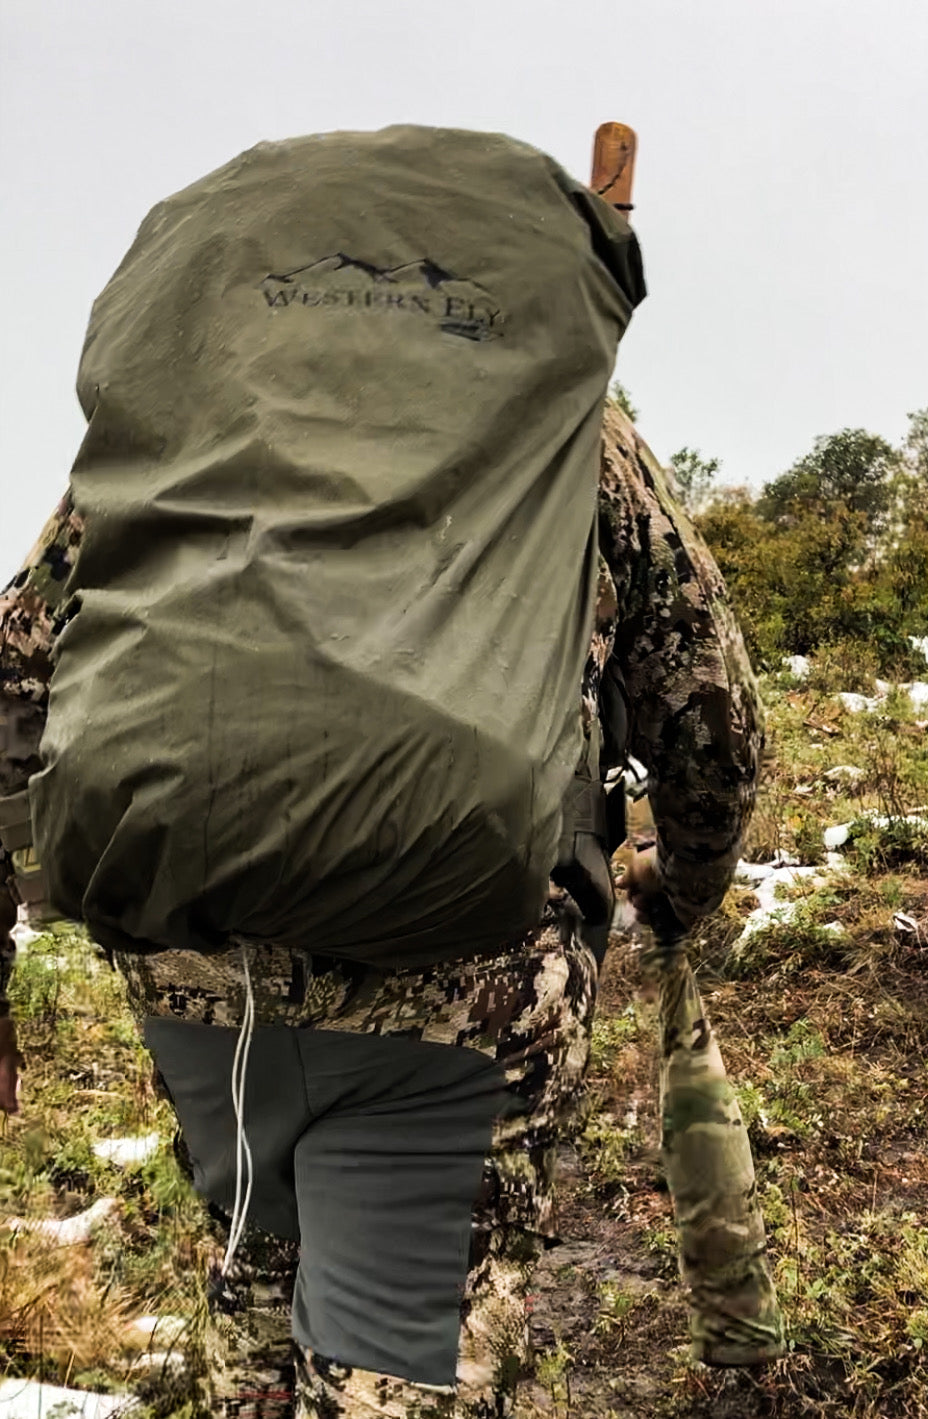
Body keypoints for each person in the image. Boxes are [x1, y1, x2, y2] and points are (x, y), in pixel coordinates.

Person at [0, 128, 762, 1419]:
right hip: (454, 983)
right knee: (399, 1360)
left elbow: (23, 674)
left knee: (259, 1273)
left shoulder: (188, 437)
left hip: (193, 965)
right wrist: (683, 889)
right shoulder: (577, 442)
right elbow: (715, 722)